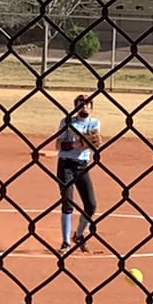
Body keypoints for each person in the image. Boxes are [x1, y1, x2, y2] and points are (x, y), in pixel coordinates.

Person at [37, 93, 101, 254]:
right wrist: (74, 145)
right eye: (80, 104)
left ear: (91, 107)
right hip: (65, 166)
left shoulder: (94, 122)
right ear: (75, 107)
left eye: (87, 104)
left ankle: (78, 235)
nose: (84, 107)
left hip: (82, 166)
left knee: (91, 205)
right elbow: (58, 144)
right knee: (68, 202)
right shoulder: (66, 122)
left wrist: (83, 143)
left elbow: (93, 142)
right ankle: (65, 243)